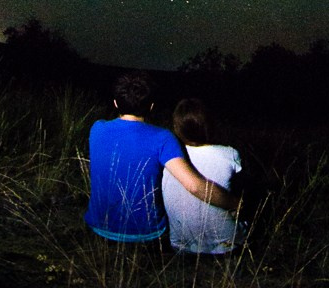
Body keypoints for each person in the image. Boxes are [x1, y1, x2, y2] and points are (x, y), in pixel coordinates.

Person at [84, 72, 240, 244]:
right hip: (147, 235)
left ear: (115, 103)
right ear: (151, 106)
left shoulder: (97, 128)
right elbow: (194, 186)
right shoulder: (163, 138)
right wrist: (234, 203)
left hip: (98, 229)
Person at [161, 97, 246, 256]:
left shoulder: (170, 158)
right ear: (210, 125)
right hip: (227, 246)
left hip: (180, 245)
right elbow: (240, 195)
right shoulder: (230, 154)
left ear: (177, 127)